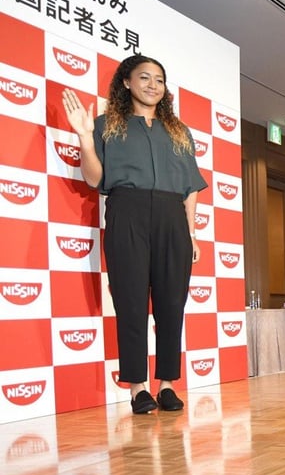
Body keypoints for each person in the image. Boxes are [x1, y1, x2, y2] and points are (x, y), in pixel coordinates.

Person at [62, 55, 206, 415]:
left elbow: (191, 188)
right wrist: (84, 136)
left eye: (159, 79)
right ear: (126, 82)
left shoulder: (179, 131)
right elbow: (95, 179)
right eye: (145, 77)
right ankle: (138, 388)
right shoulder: (106, 125)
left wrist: (190, 233)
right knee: (130, 302)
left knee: (173, 303)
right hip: (127, 211)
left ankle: (168, 384)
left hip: (173, 217)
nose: (153, 85)